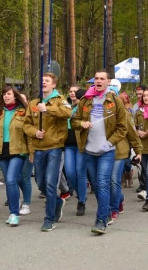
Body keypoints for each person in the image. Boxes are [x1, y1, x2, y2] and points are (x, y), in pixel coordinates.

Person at [72, 70, 128, 234]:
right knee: (97, 186)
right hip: (89, 151)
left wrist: (109, 143)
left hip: (106, 151)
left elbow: (122, 128)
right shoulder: (85, 100)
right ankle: (107, 211)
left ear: (108, 82)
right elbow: (74, 121)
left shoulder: (115, 101)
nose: (98, 81)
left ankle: (101, 220)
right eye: (96, 78)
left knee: (103, 183)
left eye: (102, 79)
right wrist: (81, 123)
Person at [24, 72, 72, 232]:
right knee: (40, 182)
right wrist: (34, 132)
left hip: (54, 147)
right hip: (38, 148)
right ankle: (57, 202)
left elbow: (68, 113)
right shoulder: (33, 103)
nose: (43, 82)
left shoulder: (60, 100)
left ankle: (49, 218)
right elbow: (26, 124)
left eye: (47, 80)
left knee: (51, 184)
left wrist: (48, 109)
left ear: (53, 85)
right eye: (42, 80)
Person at [0, 87, 31, 226]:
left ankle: (15, 214)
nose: (6, 96)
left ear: (15, 96)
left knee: (11, 180)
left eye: (8, 94)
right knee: (9, 182)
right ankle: (12, 212)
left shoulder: (23, 111)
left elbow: (28, 133)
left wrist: (32, 152)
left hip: (18, 150)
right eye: (4, 94)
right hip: (2, 150)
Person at [110, 106, 142, 220]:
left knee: (114, 180)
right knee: (102, 182)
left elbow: (132, 133)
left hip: (119, 151)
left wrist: (138, 151)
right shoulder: (95, 109)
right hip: (101, 152)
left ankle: (114, 208)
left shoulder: (123, 112)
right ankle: (119, 198)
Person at [63, 85, 87, 216]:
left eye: (75, 91)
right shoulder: (66, 107)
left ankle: (82, 201)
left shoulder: (84, 107)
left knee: (80, 172)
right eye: (71, 91)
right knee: (69, 172)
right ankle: (81, 194)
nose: (73, 93)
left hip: (80, 143)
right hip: (68, 144)